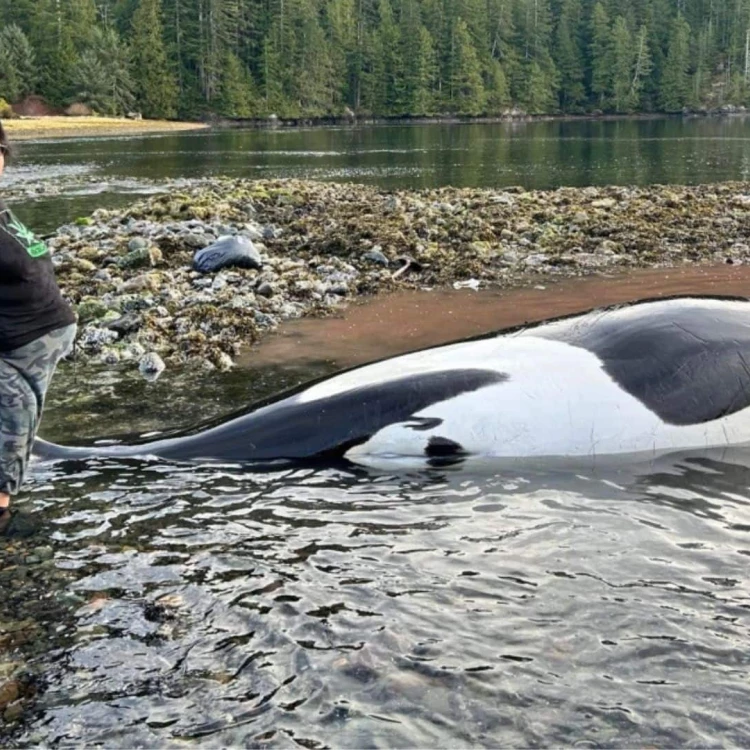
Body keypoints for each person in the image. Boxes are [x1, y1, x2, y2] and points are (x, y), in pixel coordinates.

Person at [0, 120, 77, 536]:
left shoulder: (2, 213)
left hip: (40, 338)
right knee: (12, 425)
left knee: (21, 430)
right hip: (15, 344)